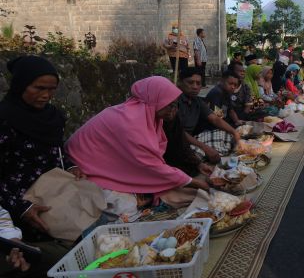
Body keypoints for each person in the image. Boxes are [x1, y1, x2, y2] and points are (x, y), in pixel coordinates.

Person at [66, 77, 209, 218]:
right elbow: (150, 165)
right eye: (170, 105)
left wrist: (195, 167)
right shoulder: (131, 122)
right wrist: (195, 182)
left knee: (171, 189)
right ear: (156, 100)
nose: (174, 110)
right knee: (127, 207)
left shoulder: (150, 116)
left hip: (113, 167)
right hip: (86, 171)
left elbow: (172, 148)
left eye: (175, 105)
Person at [0, 56, 84, 239]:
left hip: (53, 197)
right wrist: (22, 207)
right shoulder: (5, 119)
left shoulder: (53, 117)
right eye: (39, 88)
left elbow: (56, 149)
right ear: (21, 85)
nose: (46, 95)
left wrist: (70, 166)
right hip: (16, 207)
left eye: (52, 89)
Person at [0, 204, 69, 278]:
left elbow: (1, 217)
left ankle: (14, 271)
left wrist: (12, 239)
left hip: (4, 247)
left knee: (65, 256)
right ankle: (12, 275)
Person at [174, 67, 240, 162]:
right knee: (194, 159)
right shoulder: (175, 102)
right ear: (180, 82)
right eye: (190, 82)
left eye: (198, 83)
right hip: (179, 142)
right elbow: (179, 132)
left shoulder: (197, 100)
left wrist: (235, 132)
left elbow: (215, 119)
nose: (195, 87)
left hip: (193, 139)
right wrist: (204, 147)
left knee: (227, 135)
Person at [204, 73, 245, 152]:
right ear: (222, 81)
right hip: (211, 127)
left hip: (222, 122)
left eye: (235, 85)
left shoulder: (227, 92)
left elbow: (231, 110)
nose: (233, 87)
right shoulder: (217, 93)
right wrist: (232, 130)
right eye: (230, 83)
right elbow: (217, 118)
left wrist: (237, 121)